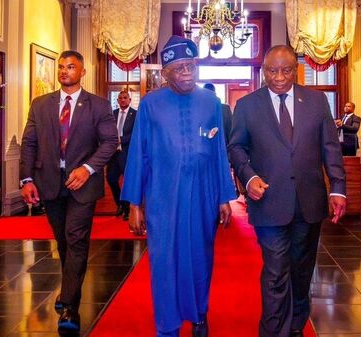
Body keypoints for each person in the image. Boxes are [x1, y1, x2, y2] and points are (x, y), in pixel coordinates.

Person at [228, 45, 347, 337]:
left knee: (301, 271)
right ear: (263, 70)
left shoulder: (317, 102)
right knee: (275, 272)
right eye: (271, 70)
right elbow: (236, 147)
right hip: (268, 202)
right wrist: (249, 176)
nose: (279, 77)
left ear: (296, 69)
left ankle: (295, 326)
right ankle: (272, 332)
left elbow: (330, 148)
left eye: (285, 70)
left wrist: (339, 189)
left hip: (309, 203)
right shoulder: (247, 105)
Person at [121, 35, 236, 337]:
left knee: (201, 257)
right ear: (165, 72)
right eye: (179, 68)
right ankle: (167, 325)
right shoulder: (149, 105)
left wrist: (224, 197)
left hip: (203, 196)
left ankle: (199, 314)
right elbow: (138, 155)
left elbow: (220, 151)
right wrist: (135, 205)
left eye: (191, 66)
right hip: (162, 198)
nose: (187, 73)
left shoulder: (211, 102)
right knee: (164, 261)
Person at [20, 50, 118, 332]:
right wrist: (26, 180)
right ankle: (70, 287)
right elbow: (28, 144)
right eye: (61, 67)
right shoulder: (40, 104)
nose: (64, 71)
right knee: (63, 241)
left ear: (82, 72)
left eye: (71, 67)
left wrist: (87, 168)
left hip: (82, 185)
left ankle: (71, 308)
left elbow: (109, 143)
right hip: (49, 183)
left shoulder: (98, 106)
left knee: (76, 240)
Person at [106, 90, 137, 219]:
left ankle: (128, 209)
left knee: (128, 182)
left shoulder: (135, 114)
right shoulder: (112, 114)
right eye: (120, 98)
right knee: (111, 179)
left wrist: (121, 139)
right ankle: (120, 204)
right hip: (113, 154)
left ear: (129, 100)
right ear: (117, 100)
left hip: (127, 154)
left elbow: (136, 133)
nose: (123, 100)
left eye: (125, 98)